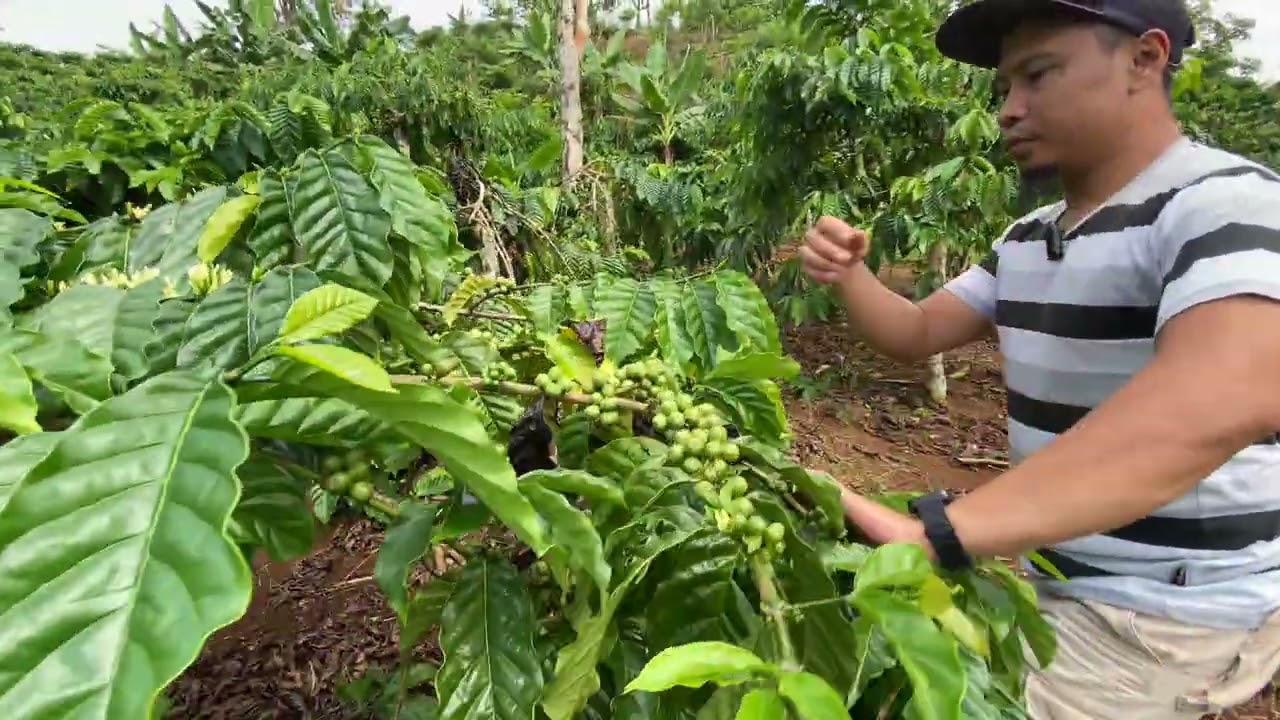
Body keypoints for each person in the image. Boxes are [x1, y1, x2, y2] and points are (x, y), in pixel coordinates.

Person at [800, 0, 1280, 717]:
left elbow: (1226, 394)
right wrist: (848, 277)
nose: (1009, 110)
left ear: (1144, 60)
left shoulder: (1224, 204)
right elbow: (916, 330)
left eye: (1039, 75)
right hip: (1063, 578)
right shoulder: (1028, 237)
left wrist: (939, 532)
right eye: (1004, 88)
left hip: (1164, 610)